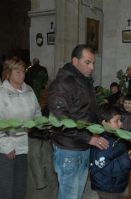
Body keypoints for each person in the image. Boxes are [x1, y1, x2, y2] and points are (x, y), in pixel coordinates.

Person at [48, 44, 109, 199]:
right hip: (68, 148)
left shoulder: (84, 80)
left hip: (83, 145)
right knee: (69, 194)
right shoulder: (63, 83)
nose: (92, 67)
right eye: (88, 62)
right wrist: (89, 138)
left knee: (78, 193)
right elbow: (62, 120)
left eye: (93, 63)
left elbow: (86, 110)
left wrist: (103, 121)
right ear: (75, 61)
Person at [0, 57, 42, 199]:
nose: (21, 74)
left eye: (23, 71)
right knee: (7, 182)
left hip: (26, 143)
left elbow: (37, 112)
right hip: (9, 145)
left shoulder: (29, 90)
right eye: (17, 71)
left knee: (21, 180)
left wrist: (35, 124)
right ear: (8, 73)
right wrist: (6, 145)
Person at [90, 104, 131, 199]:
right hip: (106, 186)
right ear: (105, 123)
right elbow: (106, 167)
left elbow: (120, 154)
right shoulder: (101, 143)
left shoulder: (116, 136)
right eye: (117, 121)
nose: (121, 123)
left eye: (120, 120)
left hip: (115, 183)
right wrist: (128, 161)